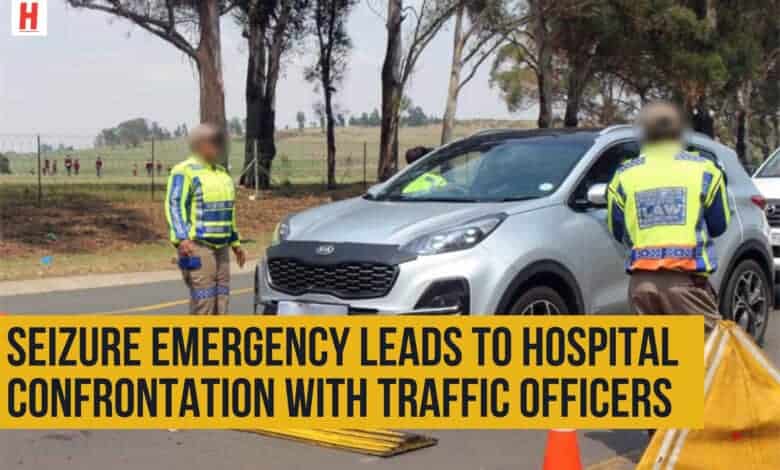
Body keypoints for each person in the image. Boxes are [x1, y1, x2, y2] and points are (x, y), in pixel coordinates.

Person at [607, 101, 730, 331]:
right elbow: (719, 224)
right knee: (706, 350)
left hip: (642, 286)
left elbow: (617, 230)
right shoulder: (705, 170)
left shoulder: (623, 175)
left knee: (658, 351)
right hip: (686, 285)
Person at [165, 123, 246, 315]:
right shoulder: (184, 171)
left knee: (222, 300)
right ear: (201, 144)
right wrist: (182, 239)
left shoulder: (222, 174)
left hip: (222, 248)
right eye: (215, 143)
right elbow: (175, 204)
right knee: (204, 302)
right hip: (197, 246)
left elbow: (229, 212)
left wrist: (236, 244)